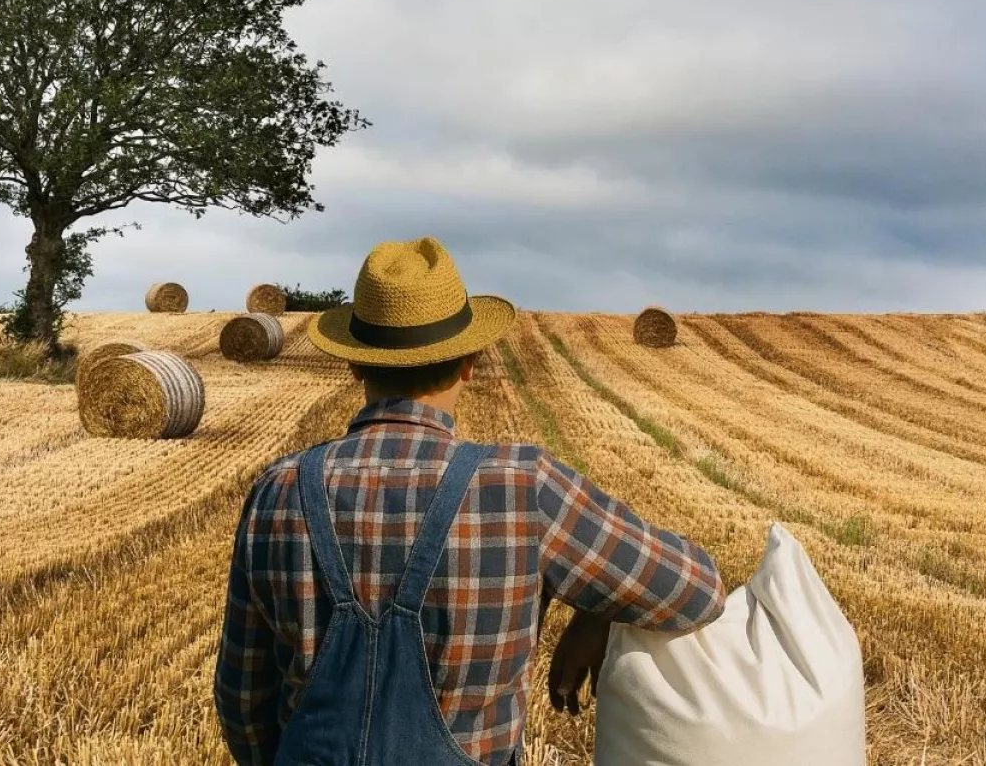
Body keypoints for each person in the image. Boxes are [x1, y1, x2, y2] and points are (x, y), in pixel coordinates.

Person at [214, 235, 727, 766]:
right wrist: (598, 610)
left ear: (356, 365)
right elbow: (697, 591)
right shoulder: (523, 487)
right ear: (468, 362)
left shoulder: (280, 489)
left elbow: (242, 695)